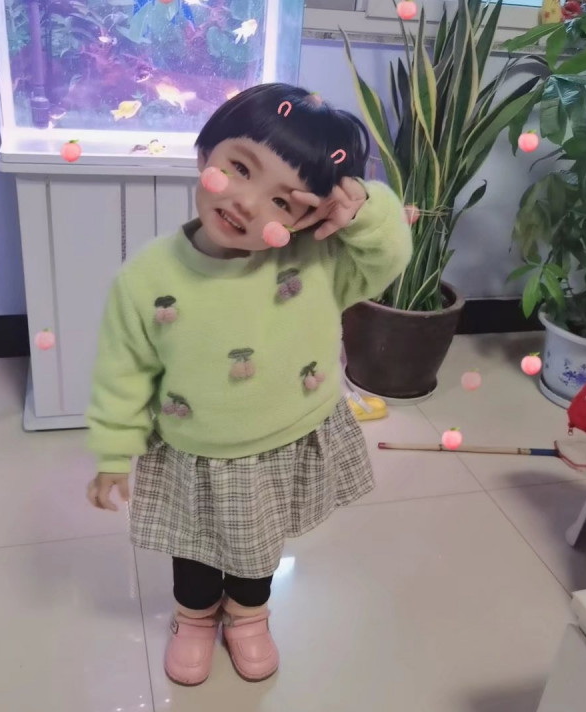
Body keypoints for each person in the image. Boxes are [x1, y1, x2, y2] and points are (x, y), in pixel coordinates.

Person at [85, 82, 412, 686]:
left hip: (282, 442)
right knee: (194, 549)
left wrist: (366, 207)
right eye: (238, 168)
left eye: (283, 201)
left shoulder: (319, 262)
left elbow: (388, 256)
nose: (246, 203)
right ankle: (194, 617)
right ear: (204, 153)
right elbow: (122, 370)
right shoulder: (145, 278)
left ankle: (248, 615)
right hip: (193, 449)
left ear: (310, 215)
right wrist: (112, 452)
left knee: (259, 547)